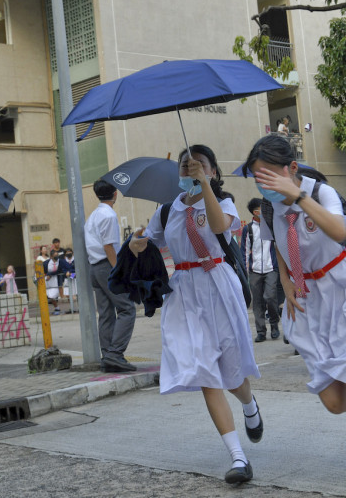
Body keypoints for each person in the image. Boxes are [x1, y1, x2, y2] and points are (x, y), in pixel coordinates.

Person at [243, 134, 346, 498]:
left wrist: (299, 196)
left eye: (270, 175)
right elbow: (281, 249)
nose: (265, 184)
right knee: (334, 403)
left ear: (291, 169)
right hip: (308, 299)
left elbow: (338, 231)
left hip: (344, 290)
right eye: (258, 178)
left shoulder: (320, 193)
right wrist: (286, 282)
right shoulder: (270, 209)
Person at [129, 145, 262, 484]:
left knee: (232, 374)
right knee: (206, 374)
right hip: (185, 292)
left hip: (219, 286)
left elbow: (219, 227)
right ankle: (237, 457)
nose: (192, 170)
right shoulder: (166, 210)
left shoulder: (224, 203)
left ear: (214, 172)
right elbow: (149, 241)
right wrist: (136, 244)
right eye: (186, 167)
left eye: (200, 165)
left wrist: (204, 188)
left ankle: (249, 404)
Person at [84, 179, 137, 373]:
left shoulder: (94, 216)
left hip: (95, 267)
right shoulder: (108, 215)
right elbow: (108, 246)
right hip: (107, 266)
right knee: (127, 309)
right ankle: (115, 354)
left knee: (106, 314)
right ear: (115, 194)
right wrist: (118, 271)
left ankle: (108, 356)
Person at [241, 198, 280, 342]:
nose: (263, 212)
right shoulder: (248, 229)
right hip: (255, 270)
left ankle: (274, 324)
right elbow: (244, 251)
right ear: (254, 212)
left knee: (270, 297)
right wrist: (246, 273)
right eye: (260, 209)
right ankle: (261, 331)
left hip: (271, 268)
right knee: (257, 302)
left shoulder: (271, 226)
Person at [43, 250, 62, 315]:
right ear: (51, 257)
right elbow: (43, 272)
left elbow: (62, 271)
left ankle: (58, 307)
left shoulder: (60, 262)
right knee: (49, 296)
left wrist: (51, 274)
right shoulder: (46, 263)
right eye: (55, 256)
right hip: (48, 282)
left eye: (57, 256)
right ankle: (56, 308)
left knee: (52, 296)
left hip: (57, 281)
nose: (56, 257)